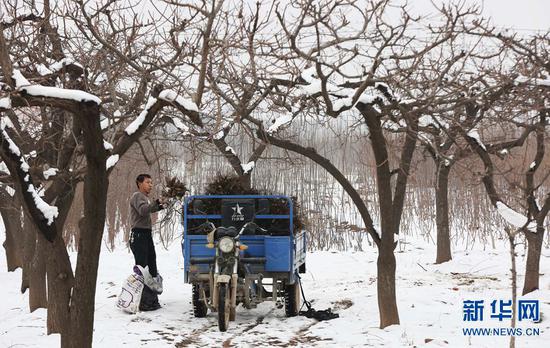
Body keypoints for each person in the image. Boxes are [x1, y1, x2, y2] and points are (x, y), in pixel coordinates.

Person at [129, 173, 165, 311]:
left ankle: (151, 300)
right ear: (139, 183)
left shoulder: (144, 198)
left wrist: (160, 206)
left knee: (152, 266)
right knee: (142, 269)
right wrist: (156, 203)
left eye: (151, 182)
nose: (151, 185)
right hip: (138, 235)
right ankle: (143, 302)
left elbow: (148, 209)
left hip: (146, 235)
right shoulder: (137, 196)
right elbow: (143, 210)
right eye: (148, 182)